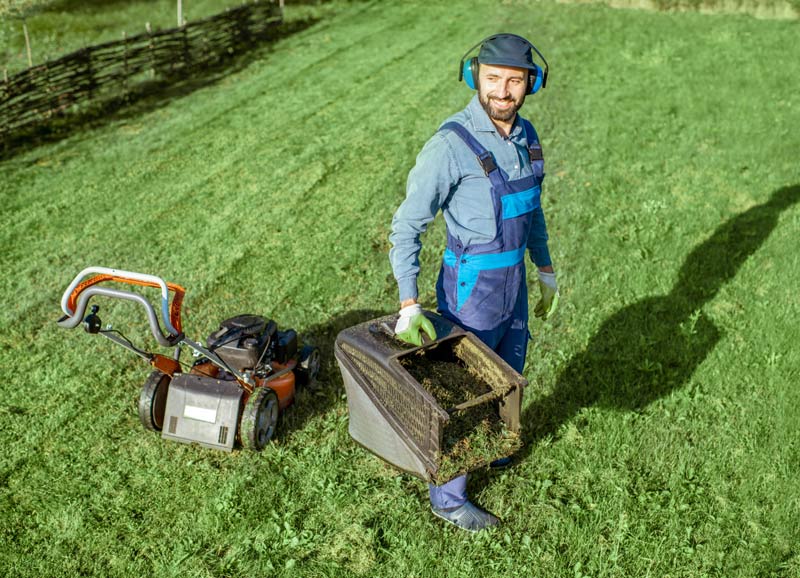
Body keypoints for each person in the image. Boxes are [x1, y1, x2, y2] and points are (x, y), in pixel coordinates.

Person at [388, 33, 559, 532]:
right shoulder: (450, 146)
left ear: (531, 82)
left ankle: (495, 449)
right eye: (493, 79)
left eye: (514, 80)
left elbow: (533, 212)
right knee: (464, 390)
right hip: (471, 290)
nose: (503, 91)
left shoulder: (526, 136)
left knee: (507, 376)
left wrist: (544, 269)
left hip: (515, 287)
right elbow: (407, 227)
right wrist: (408, 303)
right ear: (474, 77)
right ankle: (447, 496)